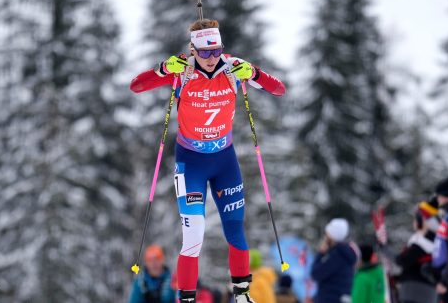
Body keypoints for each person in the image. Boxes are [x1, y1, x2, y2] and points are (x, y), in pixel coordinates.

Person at [130, 19, 286, 303]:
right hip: (191, 164)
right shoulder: (183, 70)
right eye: (204, 52)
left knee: (235, 227)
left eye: (217, 51)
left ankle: (241, 294)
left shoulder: (233, 68)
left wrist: (255, 73)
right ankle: (186, 298)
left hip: (224, 160)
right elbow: (137, 86)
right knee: (194, 236)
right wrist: (163, 69)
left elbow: (278, 90)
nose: (212, 58)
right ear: (193, 50)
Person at [394, 199, 438, 303]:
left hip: (415, 293)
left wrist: (385, 249)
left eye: (416, 218)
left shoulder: (423, 243)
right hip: (426, 293)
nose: (414, 222)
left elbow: (402, 260)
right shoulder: (434, 240)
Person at [311, 218, 358, 303]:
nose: (325, 236)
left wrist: (320, 254)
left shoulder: (336, 256)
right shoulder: (344, 253)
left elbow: (316, 273)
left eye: (327, 233)